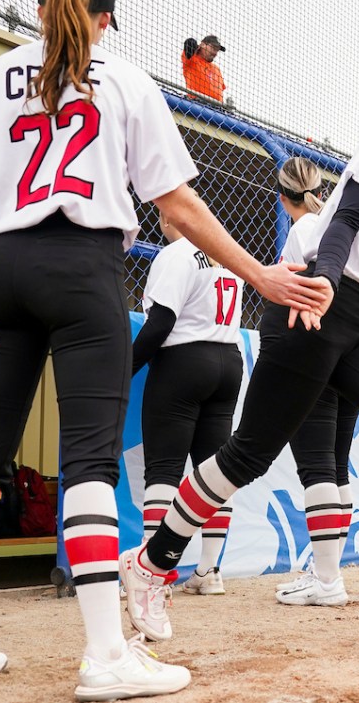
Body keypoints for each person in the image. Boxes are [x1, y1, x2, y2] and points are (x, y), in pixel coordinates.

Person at [0, 0, 328, 697]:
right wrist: (258, 272)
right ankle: (103, 654)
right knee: (89, 461)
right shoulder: (124, 79)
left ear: (37, 5)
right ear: (103, 16)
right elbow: (177, 206)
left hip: (4, 265)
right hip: (83, 267)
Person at [120, 61, 359, 639]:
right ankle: (150, 564)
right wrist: (324, 278)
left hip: (357, 318)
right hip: (315, 304)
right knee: (247, 455)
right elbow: (344, 215)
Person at [132, 213, 244, 598]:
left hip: (183, 361)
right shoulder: (226, 252)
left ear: (168, 216)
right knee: (214, 472)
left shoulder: (178, 253)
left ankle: (153, 573)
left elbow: (161, 322)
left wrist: (123, 369)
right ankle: (209, 570)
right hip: (228, 359)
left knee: (163, 469)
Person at [269, 157, 359, 608]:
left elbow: (291, 293)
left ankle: (326, 580)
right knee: (338, 466)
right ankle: (327, 572)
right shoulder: (339, 222)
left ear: (283, 199)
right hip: (352, 345)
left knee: (316, 467)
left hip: (314, 344)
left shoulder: (299, 233)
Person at [181, 34, 226, 102]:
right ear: (202, 44)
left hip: (217, 108)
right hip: (197, 103)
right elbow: (189, 46)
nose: (215, 53)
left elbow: (221, 90)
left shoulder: (217, 69)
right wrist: (192, 43)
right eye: (213, 48)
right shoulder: (192, 60)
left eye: (217, 50)